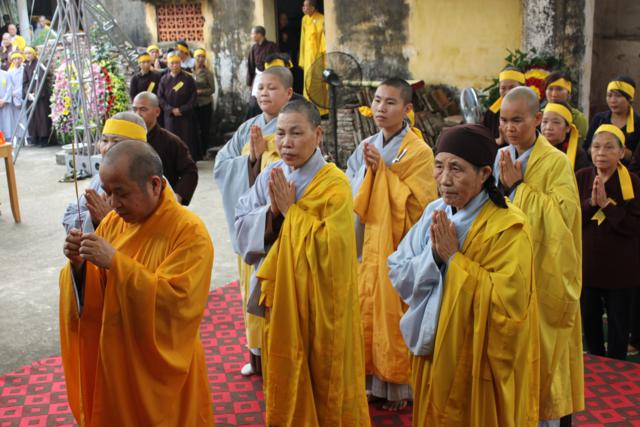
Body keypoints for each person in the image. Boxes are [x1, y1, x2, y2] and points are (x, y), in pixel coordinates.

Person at [388, 123, 539, 426]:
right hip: (434, 350)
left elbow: (509, 306)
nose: (444, 179)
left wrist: (453, 259)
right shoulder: (435, 212)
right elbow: (398, 269)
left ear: (484, 174)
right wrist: (434, 256)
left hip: (476, 360)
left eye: (456, 169)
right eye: (439, 166)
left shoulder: (509, 226)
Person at [60, 140, 215, 427]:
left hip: (161, 373)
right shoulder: (114, 222)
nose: (112, 204)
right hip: (117, 360)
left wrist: (115, 263)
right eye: (108, 193)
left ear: (154, 184)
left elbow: (177, 303)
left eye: (121, 193)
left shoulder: (189, 232)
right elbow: (96, 293)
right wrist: (80, 265)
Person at [235, 99, 370, 426]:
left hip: (320, 304)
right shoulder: (271, 174)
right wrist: (273, 213)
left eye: (296, 133)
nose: (286, 142)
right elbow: (241, 223)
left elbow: (336, 249)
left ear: (318, 135)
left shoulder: (334, 184)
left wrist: (290, 212)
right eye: (280, 133)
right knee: (285, 369)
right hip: (281, 296)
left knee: (321, 376)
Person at [494, 87, 584, 426]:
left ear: (537, 119)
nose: (510, 128)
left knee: (546, 360)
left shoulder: (556, 163)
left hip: (545, 273)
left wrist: (519, 189)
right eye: (504, 120)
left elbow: (563, 219)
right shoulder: (500, 156)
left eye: (517, 120)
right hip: (510, 273)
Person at [346, 77, 437, 411]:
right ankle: (373, 380)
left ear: (407, 108)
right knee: (366, 308)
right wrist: (370, 175)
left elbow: (422, 203)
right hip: (367, 238)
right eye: (377, 100)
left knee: (394, 313)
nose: (381, 108)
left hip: (397, 244)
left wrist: (382, 174)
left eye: (390, 102)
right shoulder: (366, 144)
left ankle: (399, 387)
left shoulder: (419, 152)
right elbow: (351, 186)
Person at [214, 66, 293, 376]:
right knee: (250, 292)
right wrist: (251, 160)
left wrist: (265, 158)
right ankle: (256, 356)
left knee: (278, 293)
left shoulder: (296, 124)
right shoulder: (249, 127)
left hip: (279, 227)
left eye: (271, 88)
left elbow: (300, 169)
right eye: (260, 88)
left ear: (288, 93)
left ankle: (281, 358)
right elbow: (222, 166)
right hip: (252, 226)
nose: (264, 93)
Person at [577, 124, 640, 361]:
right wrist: (591, 204)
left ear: (622, 152)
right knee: (590, 327)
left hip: (621, 270)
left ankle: (617, 369)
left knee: (618, 330)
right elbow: (569, 219)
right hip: (588, 267)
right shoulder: (582, 177)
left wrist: (607, 206)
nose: (601, 153)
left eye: (609, 147)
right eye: (596, 147)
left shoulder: (632, 182)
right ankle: (595, 365)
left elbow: (634, 227)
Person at [62, 112, 148, 233]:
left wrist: (111, 220)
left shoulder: (151, 185)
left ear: (138, 148)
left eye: (117, 141)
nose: (107, 148)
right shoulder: (99, 180)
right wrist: (92, 219)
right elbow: (69, 215)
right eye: (104, 140)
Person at [133, 91, 199, 205]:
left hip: (163, 203)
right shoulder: (127, 140)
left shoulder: (171, 141)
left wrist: (178, 196)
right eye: (134, 109)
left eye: (143, 109)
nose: (137, 114)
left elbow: (190, 171)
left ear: (157, 112)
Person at [585, 77, 640, 158]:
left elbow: (636, 158)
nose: (613, 100)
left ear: (630, 99)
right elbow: (586, 148)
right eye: (609, 95)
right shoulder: (599, 119)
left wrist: (618, 151)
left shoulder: (637, 123)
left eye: (618, 96)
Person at [157, 51, 198, 160]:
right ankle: (172, 160)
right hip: (170, 116)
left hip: (185, 115)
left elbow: (193, 96)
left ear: (180, 64)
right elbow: (160, 97)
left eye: (177, 63)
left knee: (186, 138)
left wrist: (182, 109)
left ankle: (187, 160)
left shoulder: (188, 78)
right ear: (168, 64)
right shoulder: (164, 79)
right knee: (171, 138)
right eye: (172, 63)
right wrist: (170, 109)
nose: (175, 65)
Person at [541, 101, 590, 171]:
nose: (548, 127)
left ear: (568, 128)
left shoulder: (578, 155)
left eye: (556, 122)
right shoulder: (533, 148)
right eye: (545, 121)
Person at [482, 67, 525, 146]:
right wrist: (498, 141)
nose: (507, 92)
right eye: (503, 88)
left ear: (523, 88)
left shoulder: (530, 110)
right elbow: (483, 141)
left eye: (512, 87)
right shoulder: (491, 113)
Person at [543, 71, 588, 143]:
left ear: (568, 93)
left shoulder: (578, 118)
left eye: (559, 89)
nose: (554, 94)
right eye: (550, 89)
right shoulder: (539, 115)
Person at [299, 0, 326, 113]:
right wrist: (302, 58)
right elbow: (303, 39)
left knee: (318, 83)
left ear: (313, 7)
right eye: (303, 6)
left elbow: (323, 39)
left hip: (318, 55)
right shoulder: (304, 19)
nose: (303, 8)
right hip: (308, 55)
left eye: (306, 6)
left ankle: (322, 111)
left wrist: (322, 56)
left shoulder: (322, 18)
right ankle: (309, 110)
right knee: (308, 82)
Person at [22, 46, 52, 147]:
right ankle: (36, 137)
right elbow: (25, 82)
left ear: (34, 54)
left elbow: (41, 79)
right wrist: (28, 93)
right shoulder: (26, 66)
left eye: (29, 53)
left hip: (40, 95)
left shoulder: (39, 64)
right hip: (30, 96)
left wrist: (36, 92)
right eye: (26, 53)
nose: (27, 55)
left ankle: (44, 138)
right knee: (33, 118)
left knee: (41, 116)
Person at [247, 26, 278, 108]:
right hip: (258, 77)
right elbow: (250, 65)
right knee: (254, 102)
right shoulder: (254, 48)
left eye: (253, 34)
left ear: (259, 34)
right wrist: (250, 82)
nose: (251, 36)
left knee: (269, 100)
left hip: (270, 77)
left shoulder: (272, 46)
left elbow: (277, 63)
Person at [193, 48, 215, 159]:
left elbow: (212, 89)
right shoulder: (190, 71)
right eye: (198, 56)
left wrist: (200, 92)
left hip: (205, 104)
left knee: (204, 128)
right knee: (194, 128)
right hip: (193, 105)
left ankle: (204, 151)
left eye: (203, 57)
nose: (201, 59)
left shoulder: (207, 73)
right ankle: (196, 152)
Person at [8, 51, 24, 140]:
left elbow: (24, 84)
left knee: (25, 118)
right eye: (14, 59)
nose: (17, 61)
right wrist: (15, 98)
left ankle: (27, 137)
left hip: (23, 96)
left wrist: (18, 94)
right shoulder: (9, 72)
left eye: (18, 58)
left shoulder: (24, 70)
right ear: (12, 61)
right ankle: (18, 137)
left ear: (21, 60)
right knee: (16, 119)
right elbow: (10, 86)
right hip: (14, 98)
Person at [0, 65, 12, 140]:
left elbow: (9, 88)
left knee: (7, 124)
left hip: (5, 104)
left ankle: (8, 141)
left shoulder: (6, 74)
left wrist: (4, 100)